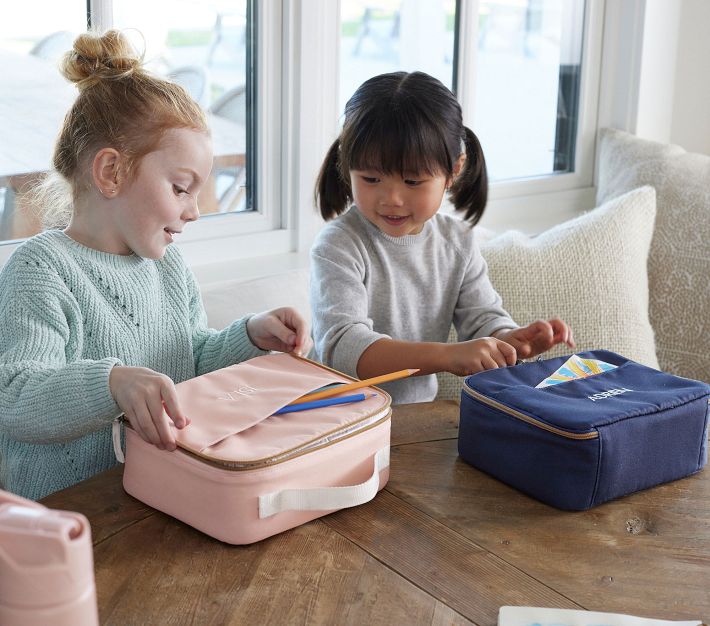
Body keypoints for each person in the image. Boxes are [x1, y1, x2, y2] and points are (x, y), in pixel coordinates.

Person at [0, 30, 311, 500]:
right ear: (111, 172)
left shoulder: (167, 268)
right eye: (181, 188)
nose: (194, 211)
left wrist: (248, 335)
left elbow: (190, 359)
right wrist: (111, 384)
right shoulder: (42, 270)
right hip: (71, 513)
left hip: (158, 495)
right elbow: (18, 398)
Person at [310, 71, 574, 404]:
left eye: (412, 182)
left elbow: (482, 319)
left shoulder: (457, 242)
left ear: (453, 171)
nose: (391, 198)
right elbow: (343, 349)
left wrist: (510, 341)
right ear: (346, 166)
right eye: (372, 178)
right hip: (336, 422)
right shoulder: (339, 244)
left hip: (418, 426)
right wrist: (447, 356)